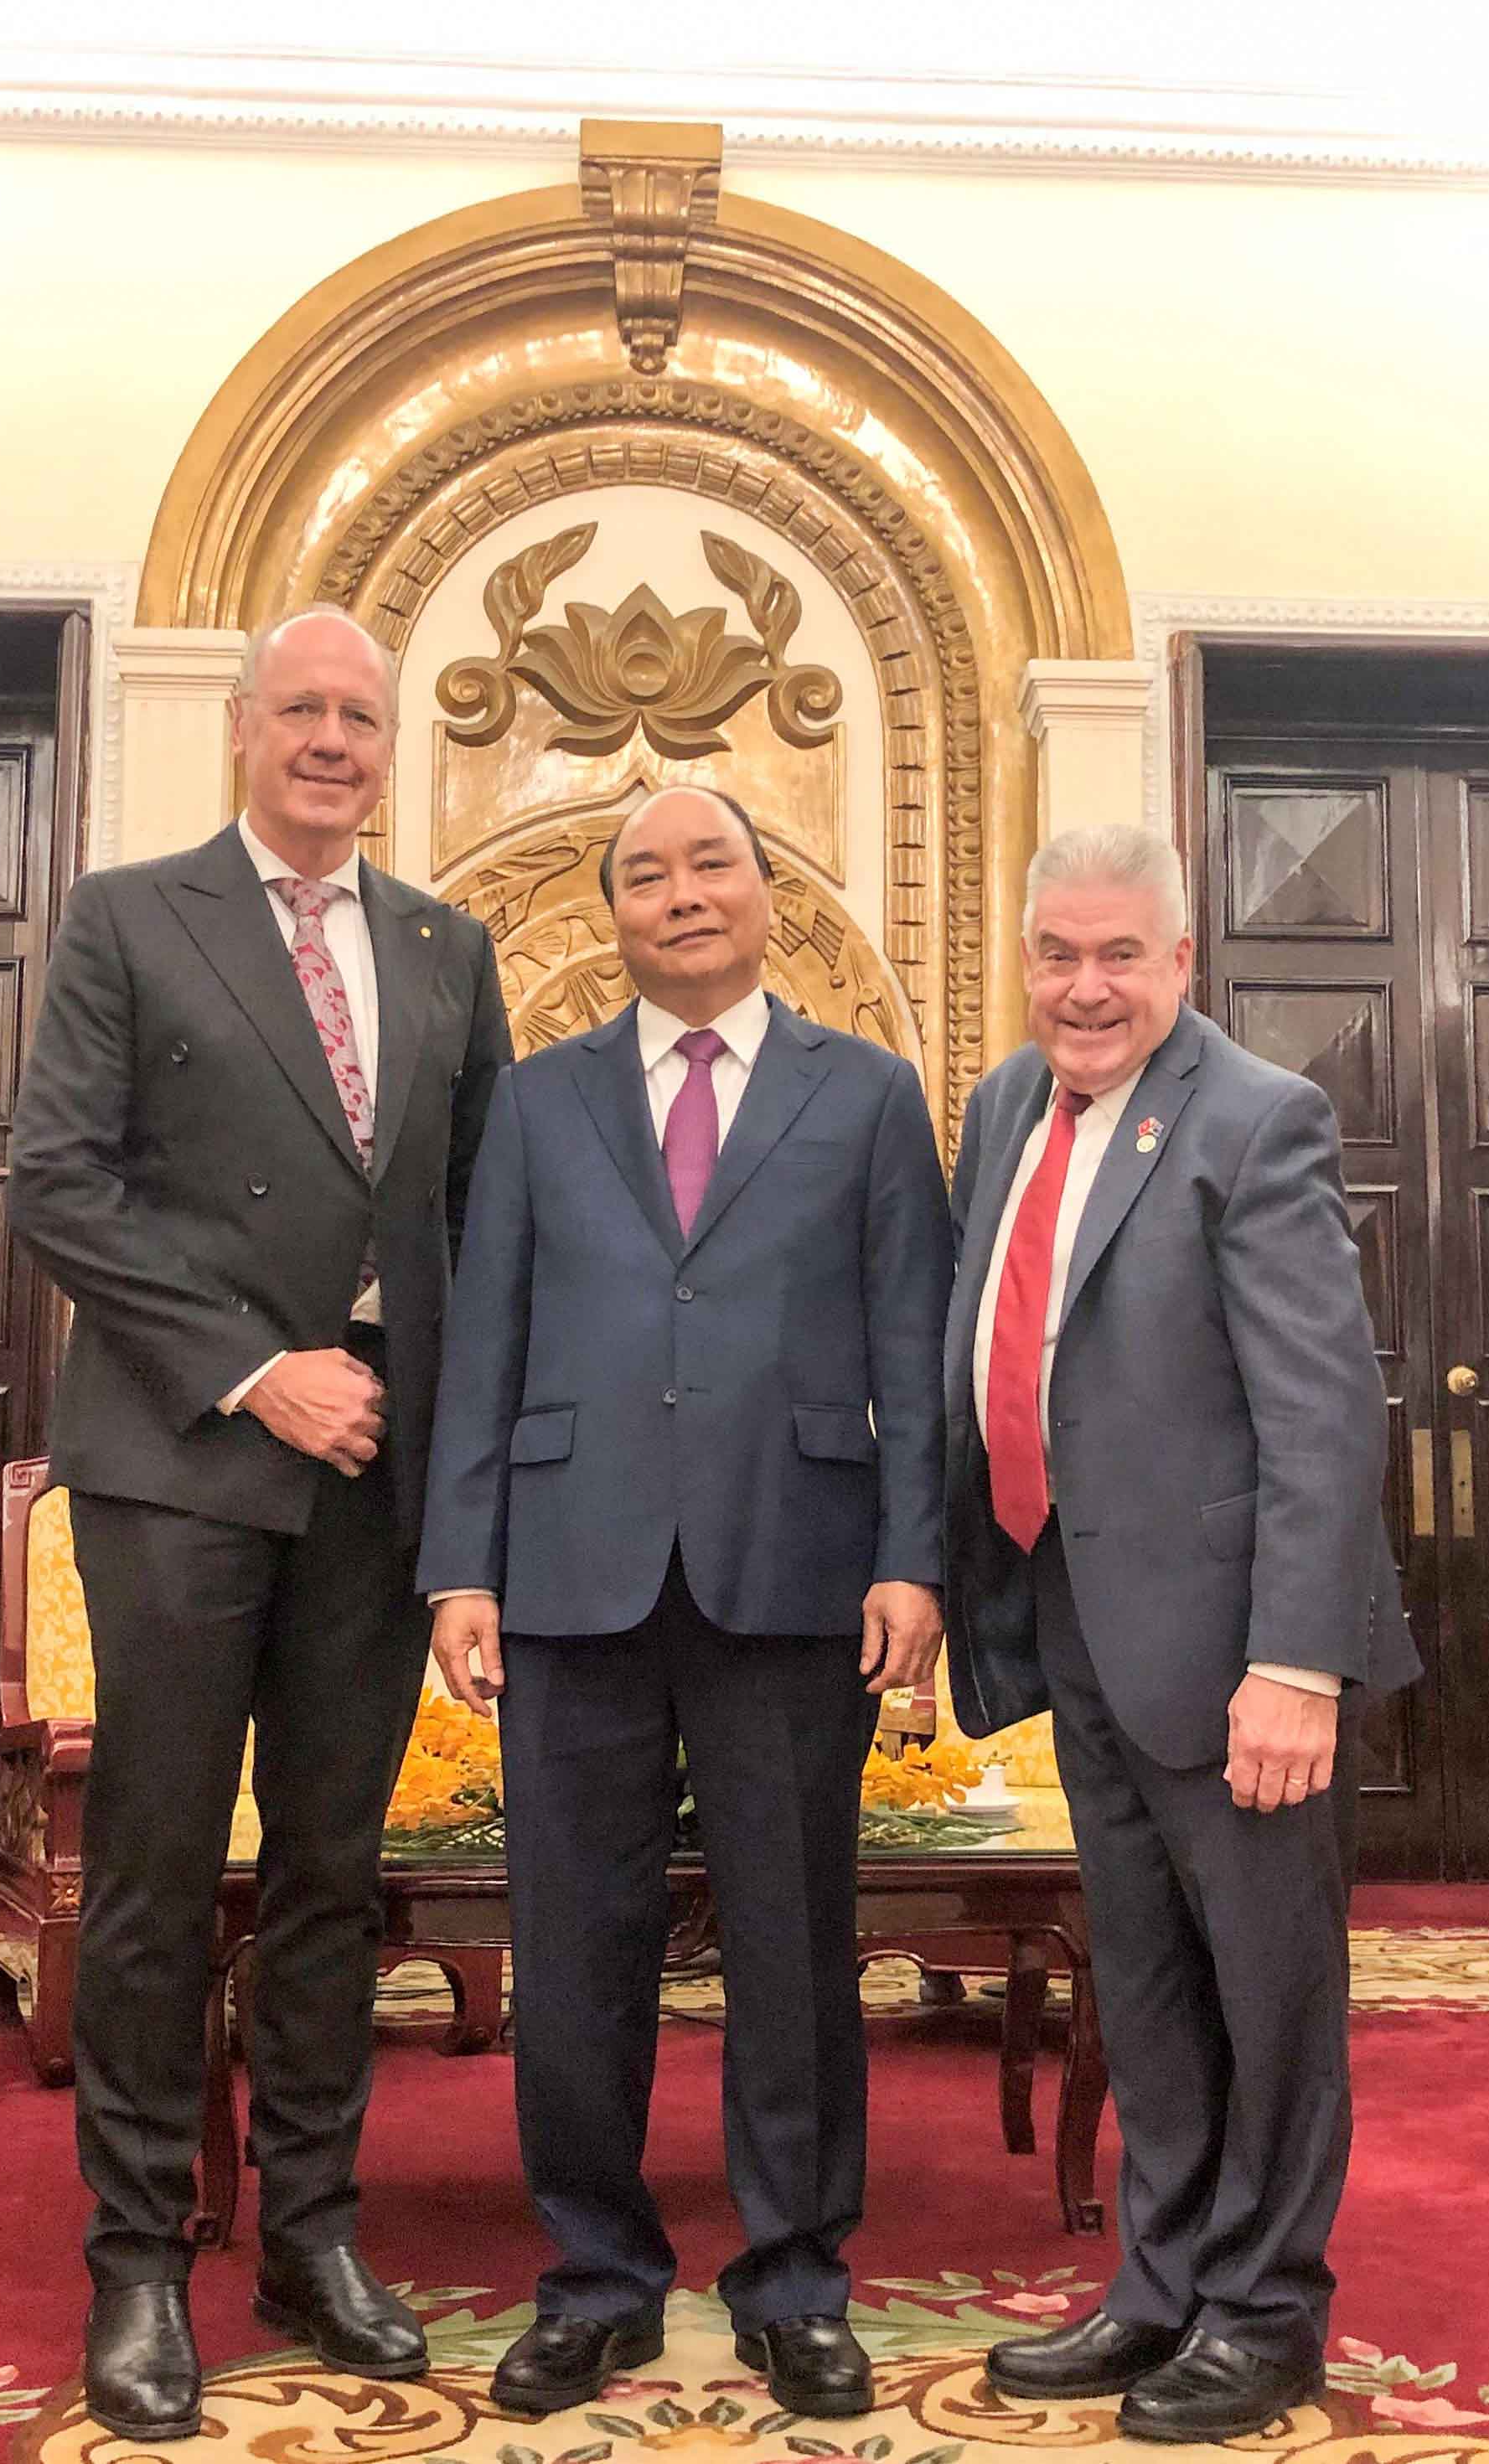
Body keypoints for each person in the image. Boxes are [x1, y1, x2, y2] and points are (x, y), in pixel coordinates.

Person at [8, 605, 512, 2442]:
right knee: (154, 1879)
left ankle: (311, 2238)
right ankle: (138, 2261)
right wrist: (256, 1370)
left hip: (377, 1477)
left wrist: (473, 1475)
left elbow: (480, 1218)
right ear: (243, 726)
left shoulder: (450, 948)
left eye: (359, 716)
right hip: (186, 1465)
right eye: (300, 708)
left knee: (328, 1880)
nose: (330, 740)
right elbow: (57, 1186)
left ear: (391, 747)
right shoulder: (131, 917)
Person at [416, 786, 952, 2425]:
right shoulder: (539, 1099)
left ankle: (796, 2278)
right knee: (576, 1943)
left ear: (768, 893)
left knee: (794, 1940)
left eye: (711, 862)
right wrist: (460, 1563)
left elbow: (915, 1347)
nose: (682, 893)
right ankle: (594, 2277)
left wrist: (914, 1556)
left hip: (796, 1562)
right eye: (645, 874)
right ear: (616, 916)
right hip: (570, 1567)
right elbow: (484, 1340)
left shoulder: (867, 1094)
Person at [941, 824, 1416, 2446]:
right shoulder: (1006, 1107)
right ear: (1025, 958)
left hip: (1235, 1658)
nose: (1088, 987)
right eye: (1059, 954)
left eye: (1121, 956)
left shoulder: (1258, 1118)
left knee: (1268, 1994)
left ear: (1182, 961)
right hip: (1081, 1620)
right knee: (1142, 1985)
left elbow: (1325, 1412)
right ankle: (1162, 2285)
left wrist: (1297, 1664)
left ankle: (1265, 2310)